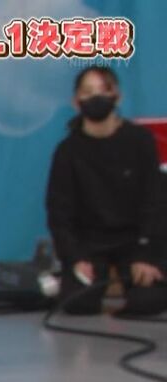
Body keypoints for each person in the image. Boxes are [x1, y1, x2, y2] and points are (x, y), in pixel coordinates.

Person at [47, 64, 167, 317]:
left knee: (149, 301)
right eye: (88, 92)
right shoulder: (67, 152)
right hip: (90, 243)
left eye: (104, 90)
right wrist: (75, 258)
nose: (96, 97)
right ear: (76, 102)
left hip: (135, 240)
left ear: (117, 97)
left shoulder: (140, 140)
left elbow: (155, 201)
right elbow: (59, 213)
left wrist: (148, 255)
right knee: (77, 304)